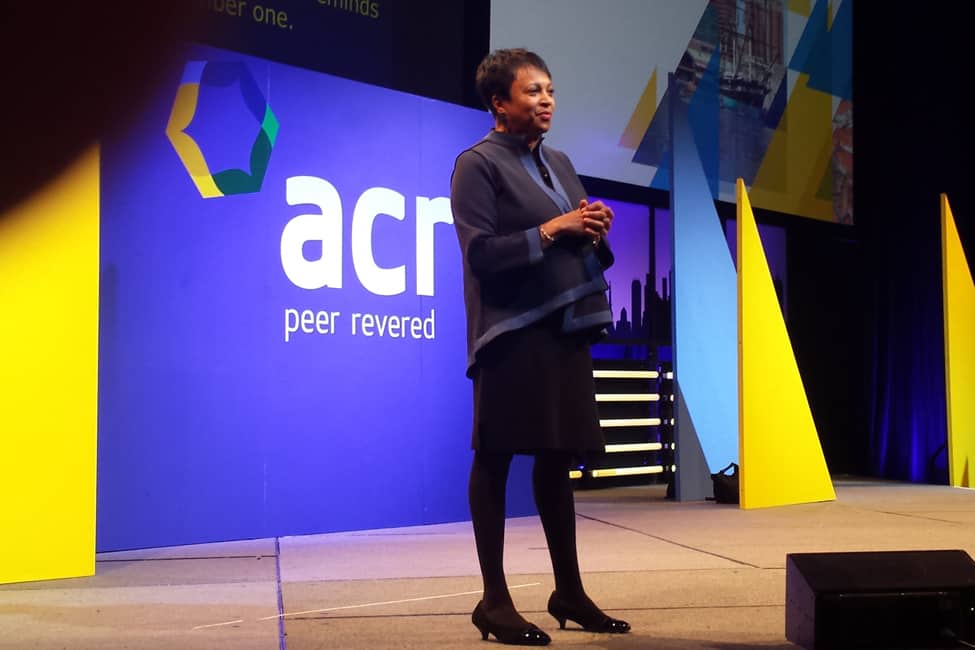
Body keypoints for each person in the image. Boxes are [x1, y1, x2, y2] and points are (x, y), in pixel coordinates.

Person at [450, 48, 631, 645]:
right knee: (496, 458)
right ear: (500, 103)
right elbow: (481, 255)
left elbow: (581, 243)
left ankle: (569, 592)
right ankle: (494, 602)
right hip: (510, 333)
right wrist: (555, 229)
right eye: (532, 91)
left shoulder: (560, 161)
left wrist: (594, 228)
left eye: (549, 89)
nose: (546, 99)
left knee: (557, 459)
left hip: (565, 328)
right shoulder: (475, 165)